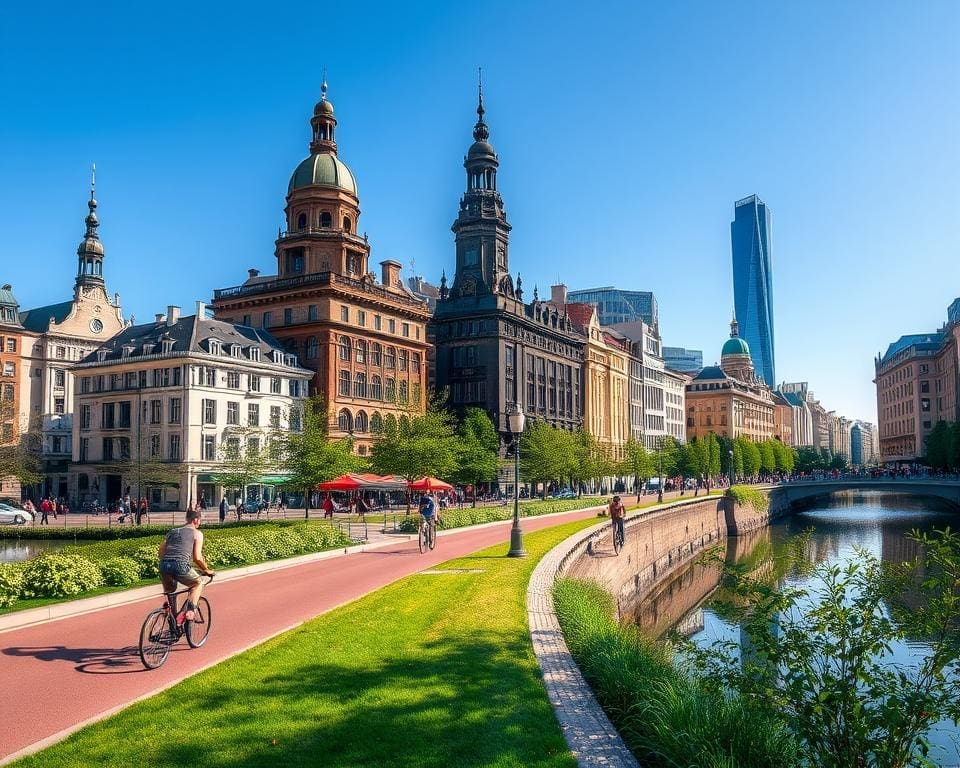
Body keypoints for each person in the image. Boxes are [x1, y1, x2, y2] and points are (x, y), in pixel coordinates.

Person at [158, 509, 214, 621]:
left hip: (164, 565)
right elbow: (197, 558)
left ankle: (171, 617)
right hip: (180, 565)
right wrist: (206, 569)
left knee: (170, 591)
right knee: (197, 583)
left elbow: (161, 552)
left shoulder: (172, 532)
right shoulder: (197, 534)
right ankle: (190, 611)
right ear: (196, 519)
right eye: (200, 520)